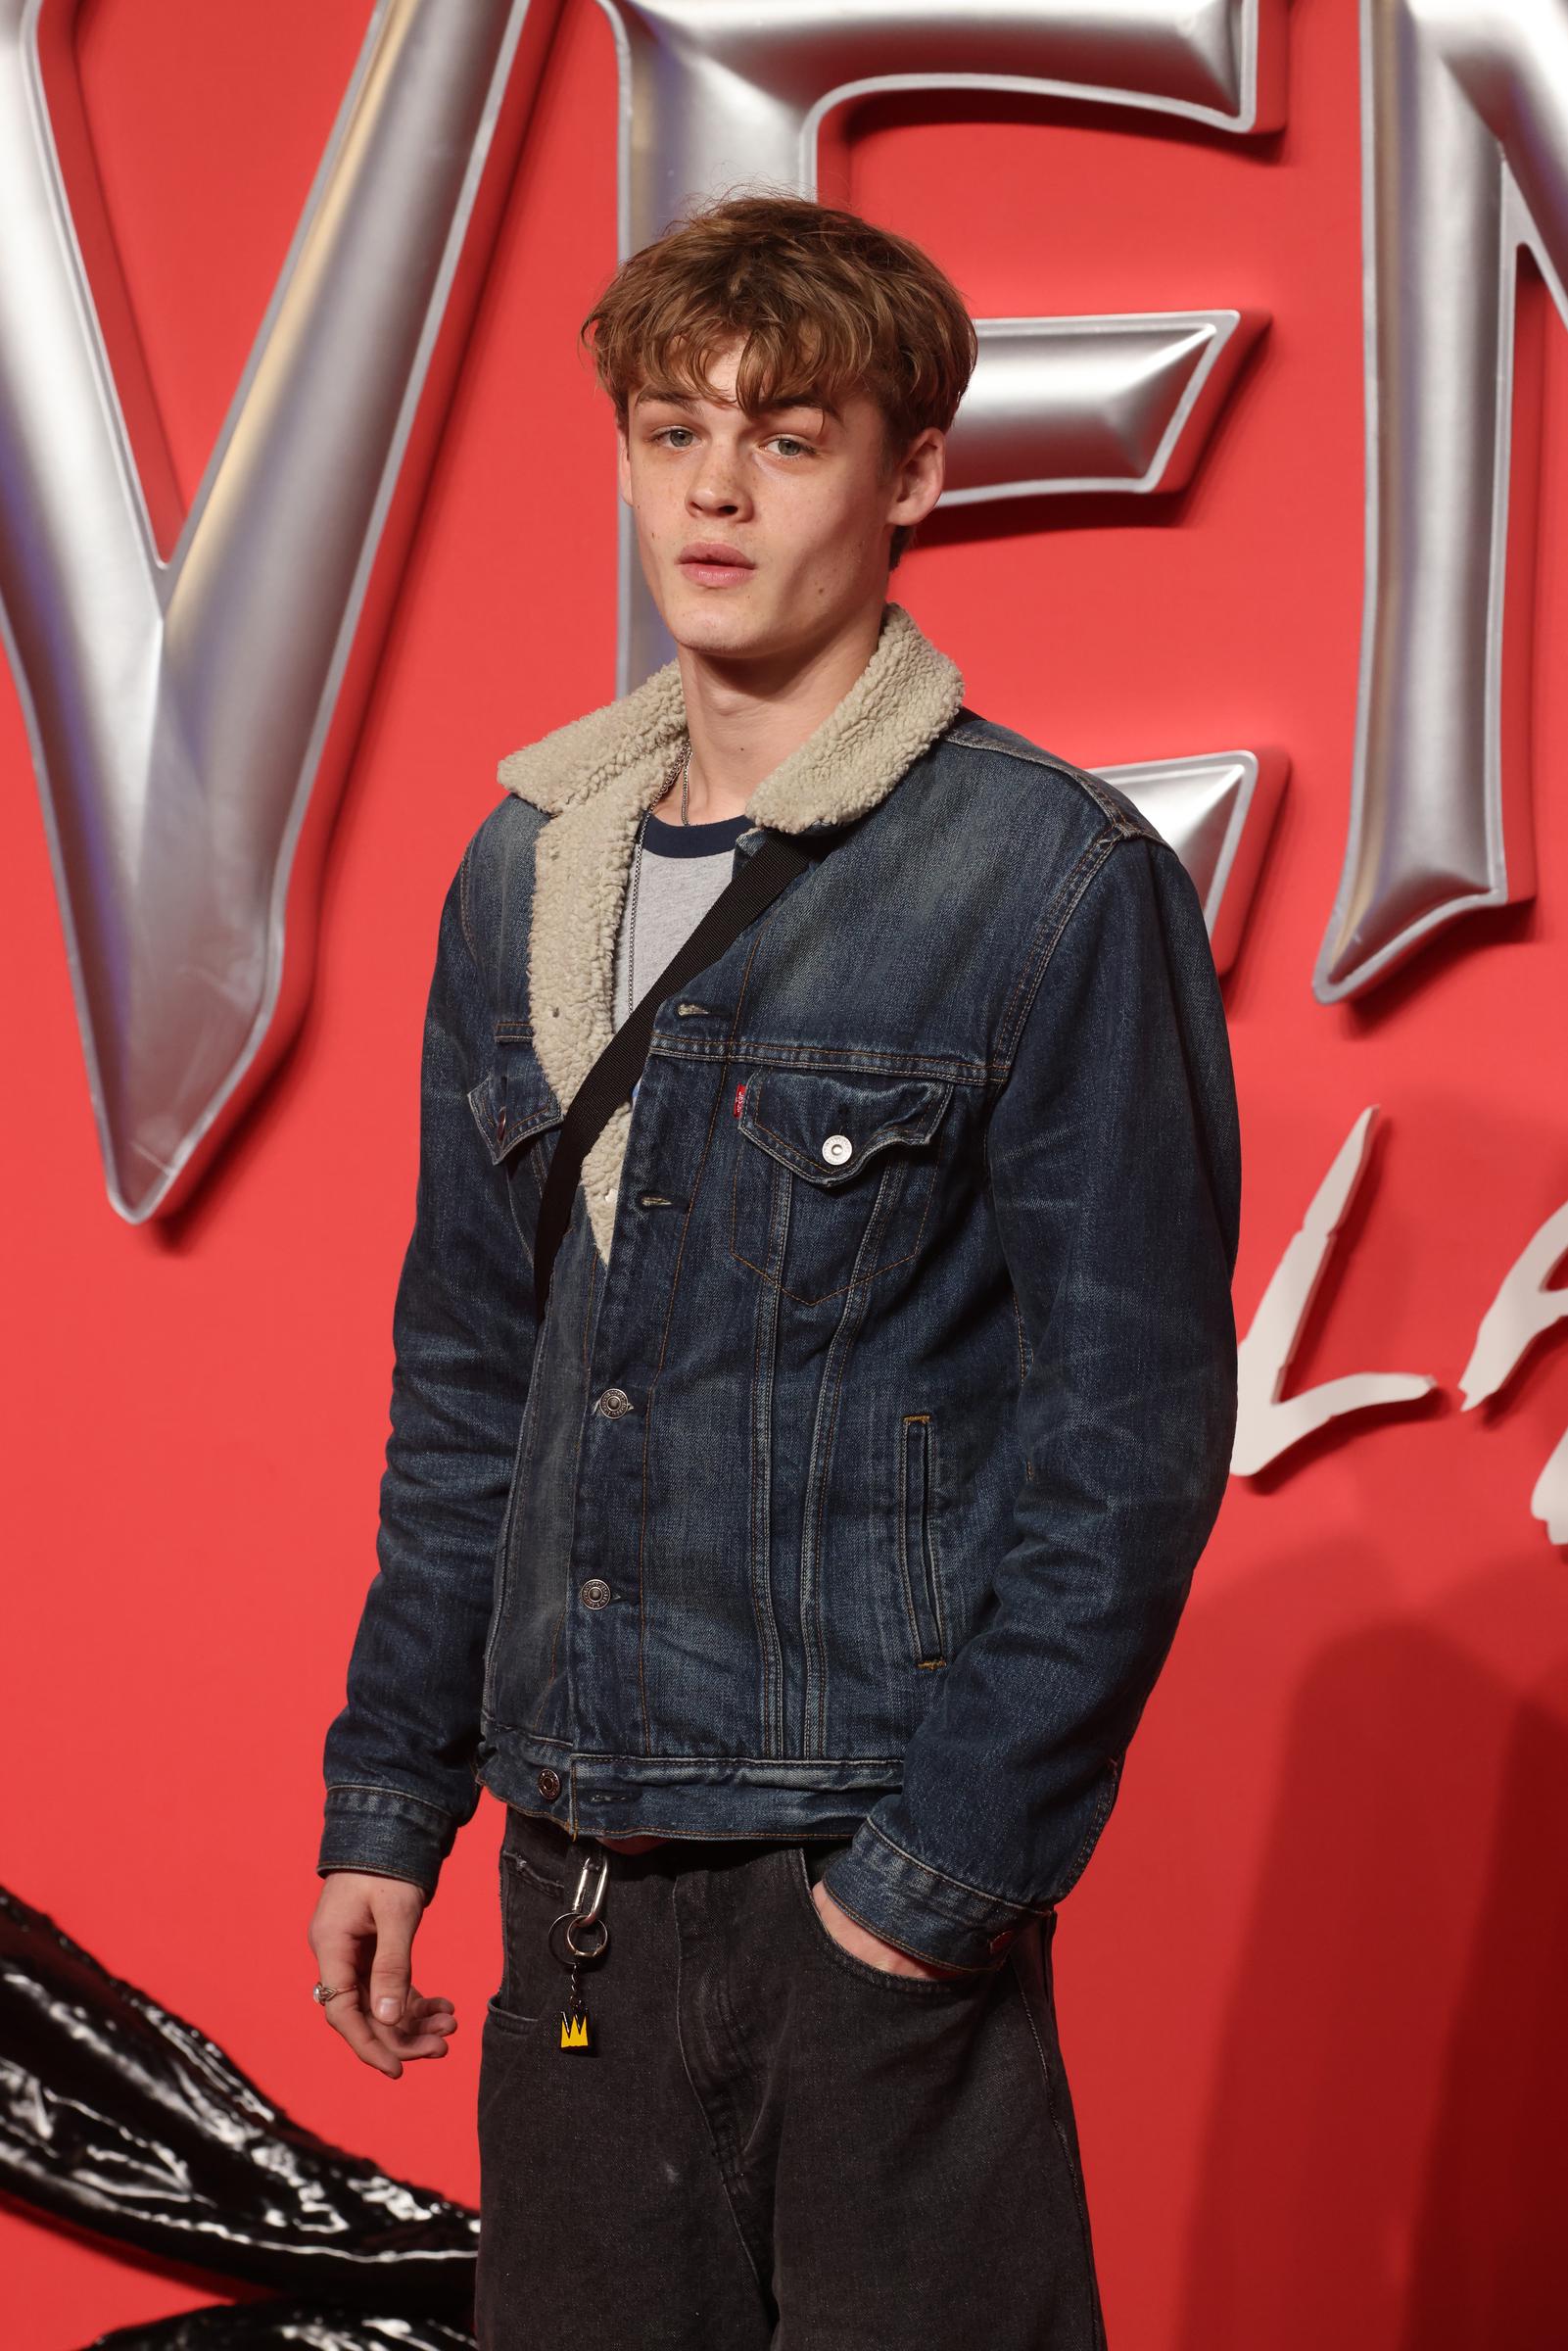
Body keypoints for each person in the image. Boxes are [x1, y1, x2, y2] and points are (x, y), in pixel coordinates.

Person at [308, 189, 1241, 2350]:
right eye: (669, 431)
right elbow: (474, 1373)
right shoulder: (524, 869)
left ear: (914, 475)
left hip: (861, 1873)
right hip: (575, 1896)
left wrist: (925, 1899)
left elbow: (1132, 1442)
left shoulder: (1049, 878)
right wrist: (389, 1798)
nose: (713, 489)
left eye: (788, 435)